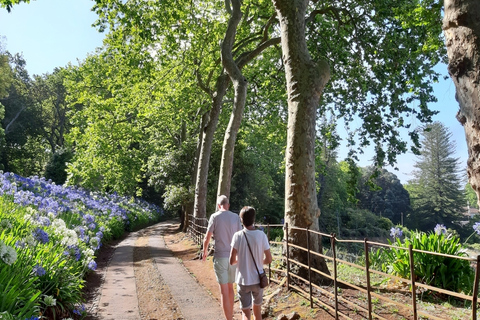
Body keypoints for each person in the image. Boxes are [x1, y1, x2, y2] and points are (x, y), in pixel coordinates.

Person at [203, 195, 242, 320]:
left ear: (219, 205)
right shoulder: (235, 217)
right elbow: (240, 237)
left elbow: (207, 237)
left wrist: (205, 251)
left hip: (220, 257)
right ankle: (231, 315)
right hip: (233, 258)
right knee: (231, 288)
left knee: (224, 290)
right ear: (228, 205)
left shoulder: (214, 217)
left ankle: (229, 318)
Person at [229, 206, 272, 320]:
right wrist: (259, 261)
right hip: (258, 280)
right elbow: (269, 259)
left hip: (242, 280)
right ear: (254, 219)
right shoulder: (261, 235)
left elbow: (231, 261)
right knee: (257, 312)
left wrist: (242, 260)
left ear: (241, 220)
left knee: (245, 313)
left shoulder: (237, 236)